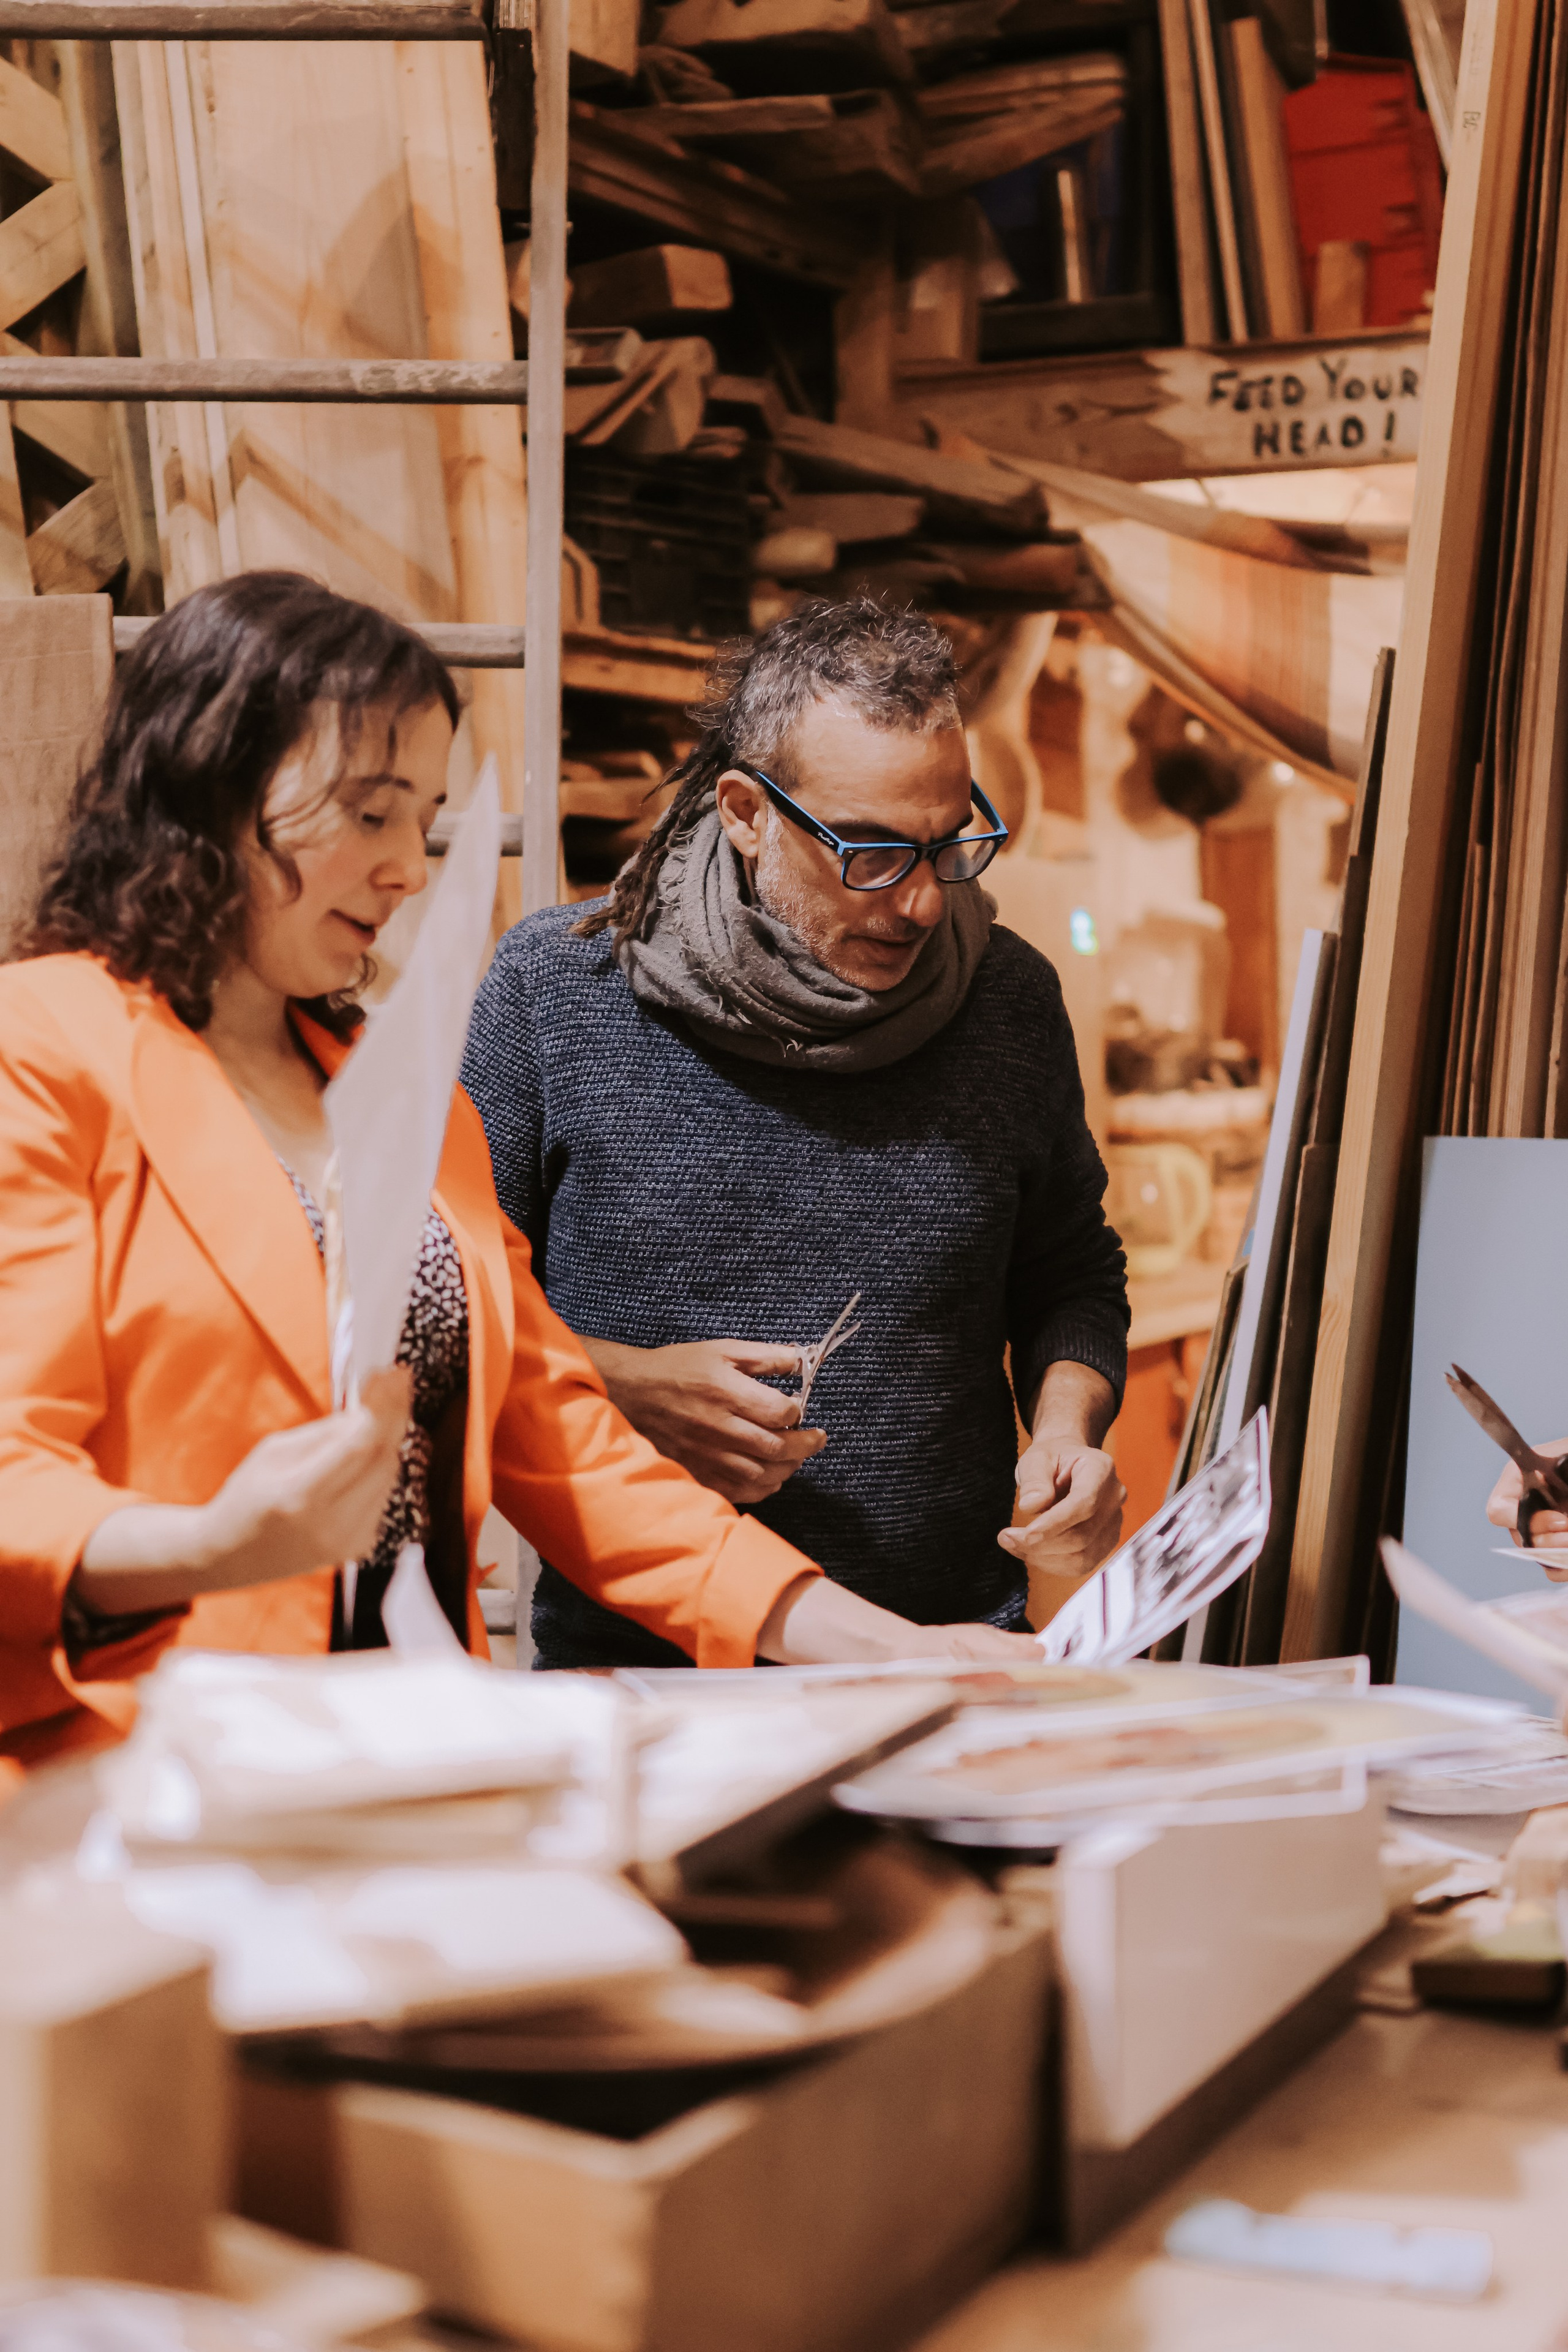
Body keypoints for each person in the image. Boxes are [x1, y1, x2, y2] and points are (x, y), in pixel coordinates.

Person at [0, 575, 1039, 1770]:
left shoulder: (408, 1110)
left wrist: (884, 1646)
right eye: (369, 811)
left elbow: (569, 1449)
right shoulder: (43, 1048)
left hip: (403, 1760)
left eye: (424, 819)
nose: (405, 870)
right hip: (136, 1767)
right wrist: (211, 1542)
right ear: (212, 786)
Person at [461, 598, 1130, 1670]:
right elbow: (453, 1317)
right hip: (647, 1673)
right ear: (743, 810)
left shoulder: (1009, 1001)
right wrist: (622, 1384)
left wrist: (1065, 1430)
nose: (917, 905)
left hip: (954, 1653)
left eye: (948, 844)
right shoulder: (558, 991)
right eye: (869, 853)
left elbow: (1071, 1277)